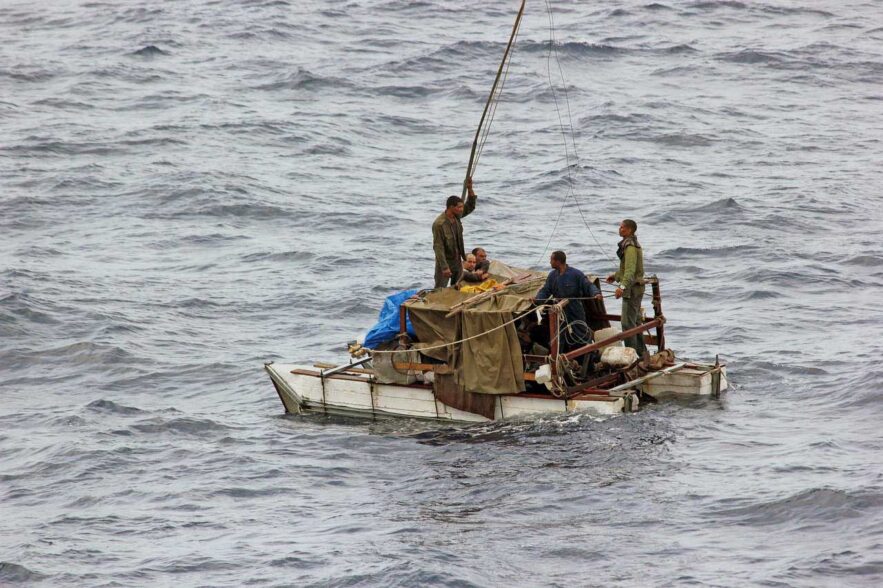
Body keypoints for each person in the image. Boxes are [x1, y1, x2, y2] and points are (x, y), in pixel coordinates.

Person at [535, 250, 602, 351]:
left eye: (551, 260)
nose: (550, 262)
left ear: (558, 261)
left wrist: (596, 293)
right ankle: (558, 357)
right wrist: (537, 299)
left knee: (581, 333)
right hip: (559, 311)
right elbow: (545, 290)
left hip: (575, 309)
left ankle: (590, 355)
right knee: (558, 336)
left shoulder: (576, 274)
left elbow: (588, 285)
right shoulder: (552, 275)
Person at [606, 219, 646, 355]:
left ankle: (631, 355)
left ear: (629, 230)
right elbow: (625, 270)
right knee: (635, 322)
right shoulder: (631, 244)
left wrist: (621, 287)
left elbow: (630, 271)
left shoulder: (630, 247)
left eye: (622, 227)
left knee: (627, 324)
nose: (620, 229)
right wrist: (615, 276)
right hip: (635, 288)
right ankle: (642, 354)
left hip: (632, 290)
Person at [432, 177, 477, 288]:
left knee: (457, 286)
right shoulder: (439, 224)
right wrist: (444, 267)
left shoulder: (457, 216)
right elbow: (438, 247)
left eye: (462, 207)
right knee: (440, 289)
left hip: (457, 260)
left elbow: (470, 206)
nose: (462, 209)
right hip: (445, 262)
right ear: (451, 207)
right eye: (459, 207)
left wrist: (470, 188)